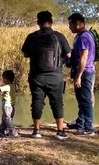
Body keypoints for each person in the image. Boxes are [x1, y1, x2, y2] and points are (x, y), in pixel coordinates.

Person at [21, 11, 71, 140]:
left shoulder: (32, 36)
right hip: (55, 75)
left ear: (38, 23)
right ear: (51, 22)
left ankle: (36, 130)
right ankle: (60, 131)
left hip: (36, 76)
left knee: (37, 102)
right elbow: (68, 54)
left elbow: (25, 54)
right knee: (57, 103)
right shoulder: (59, 36)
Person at [67, 13, 96, 136]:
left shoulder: (84, 37)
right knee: (81, 100)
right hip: (83, 71)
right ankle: (81, 123)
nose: (70, 27)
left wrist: (78, 77)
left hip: (84, 72)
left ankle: (88, 128)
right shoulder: (82, 36)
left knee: (86, 100)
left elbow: (83, 58)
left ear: (78, 24)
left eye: (71, 24)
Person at [0, 70, 18, 137]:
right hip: (12, 107)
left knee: (7, 119)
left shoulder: (8, 86)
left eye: (3, 79)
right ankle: (0, 130)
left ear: (6, 79)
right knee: (5, 120)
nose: (3, 80)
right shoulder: (13, 85)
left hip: (7, 107)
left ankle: (13, 132)